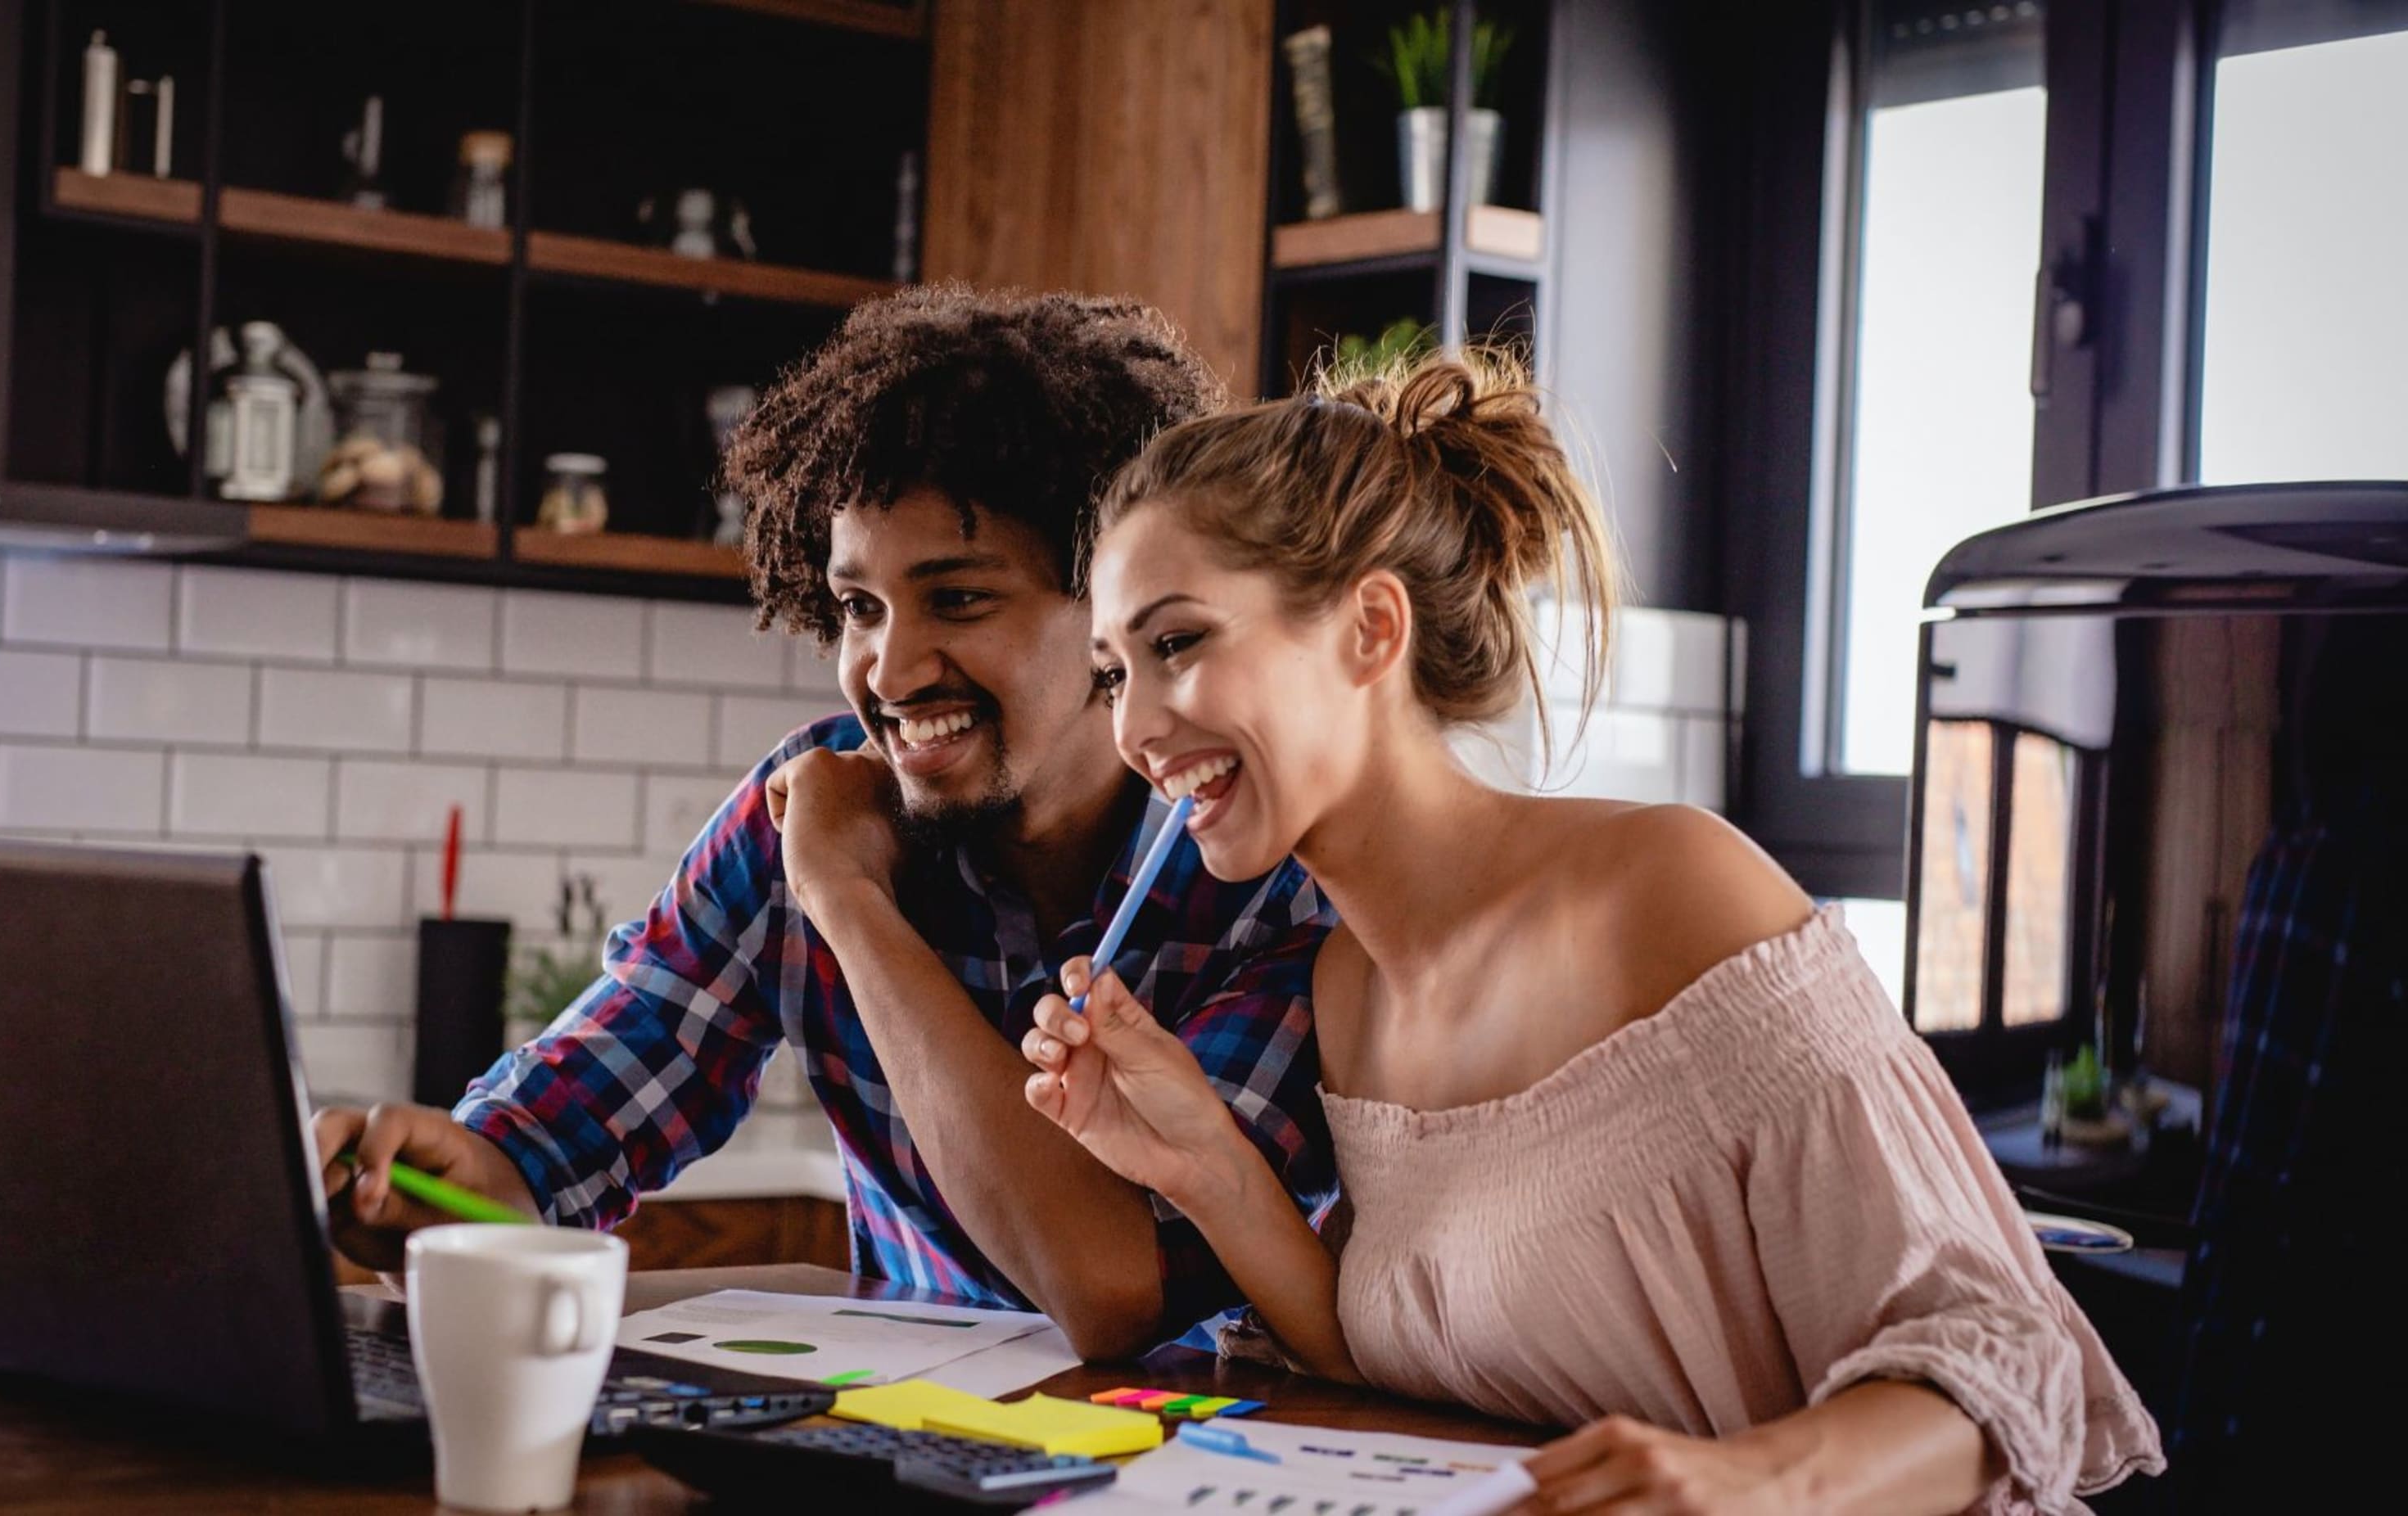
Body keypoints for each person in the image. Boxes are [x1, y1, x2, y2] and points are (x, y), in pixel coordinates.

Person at [1023, 352, 2164, 1511]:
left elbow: (2011, 1363)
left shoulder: (1669, 892)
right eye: (1113, 674)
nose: (1137, 727)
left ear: (1371, 629)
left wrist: (1747, 1486)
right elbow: (1406, 1362)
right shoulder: (1352, 987)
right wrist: (1204, 1162)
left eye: (1178, 645)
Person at [314, 287, 1338, 1359]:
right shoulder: (805, 811)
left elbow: (1113, 1288)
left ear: (1112, 611)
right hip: (905, 1447)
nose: (887, 671)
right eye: (860, 608)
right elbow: (569, 1128)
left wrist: (854, 906)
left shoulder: (1258, 874)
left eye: (958, 599)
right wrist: (440, 1184)